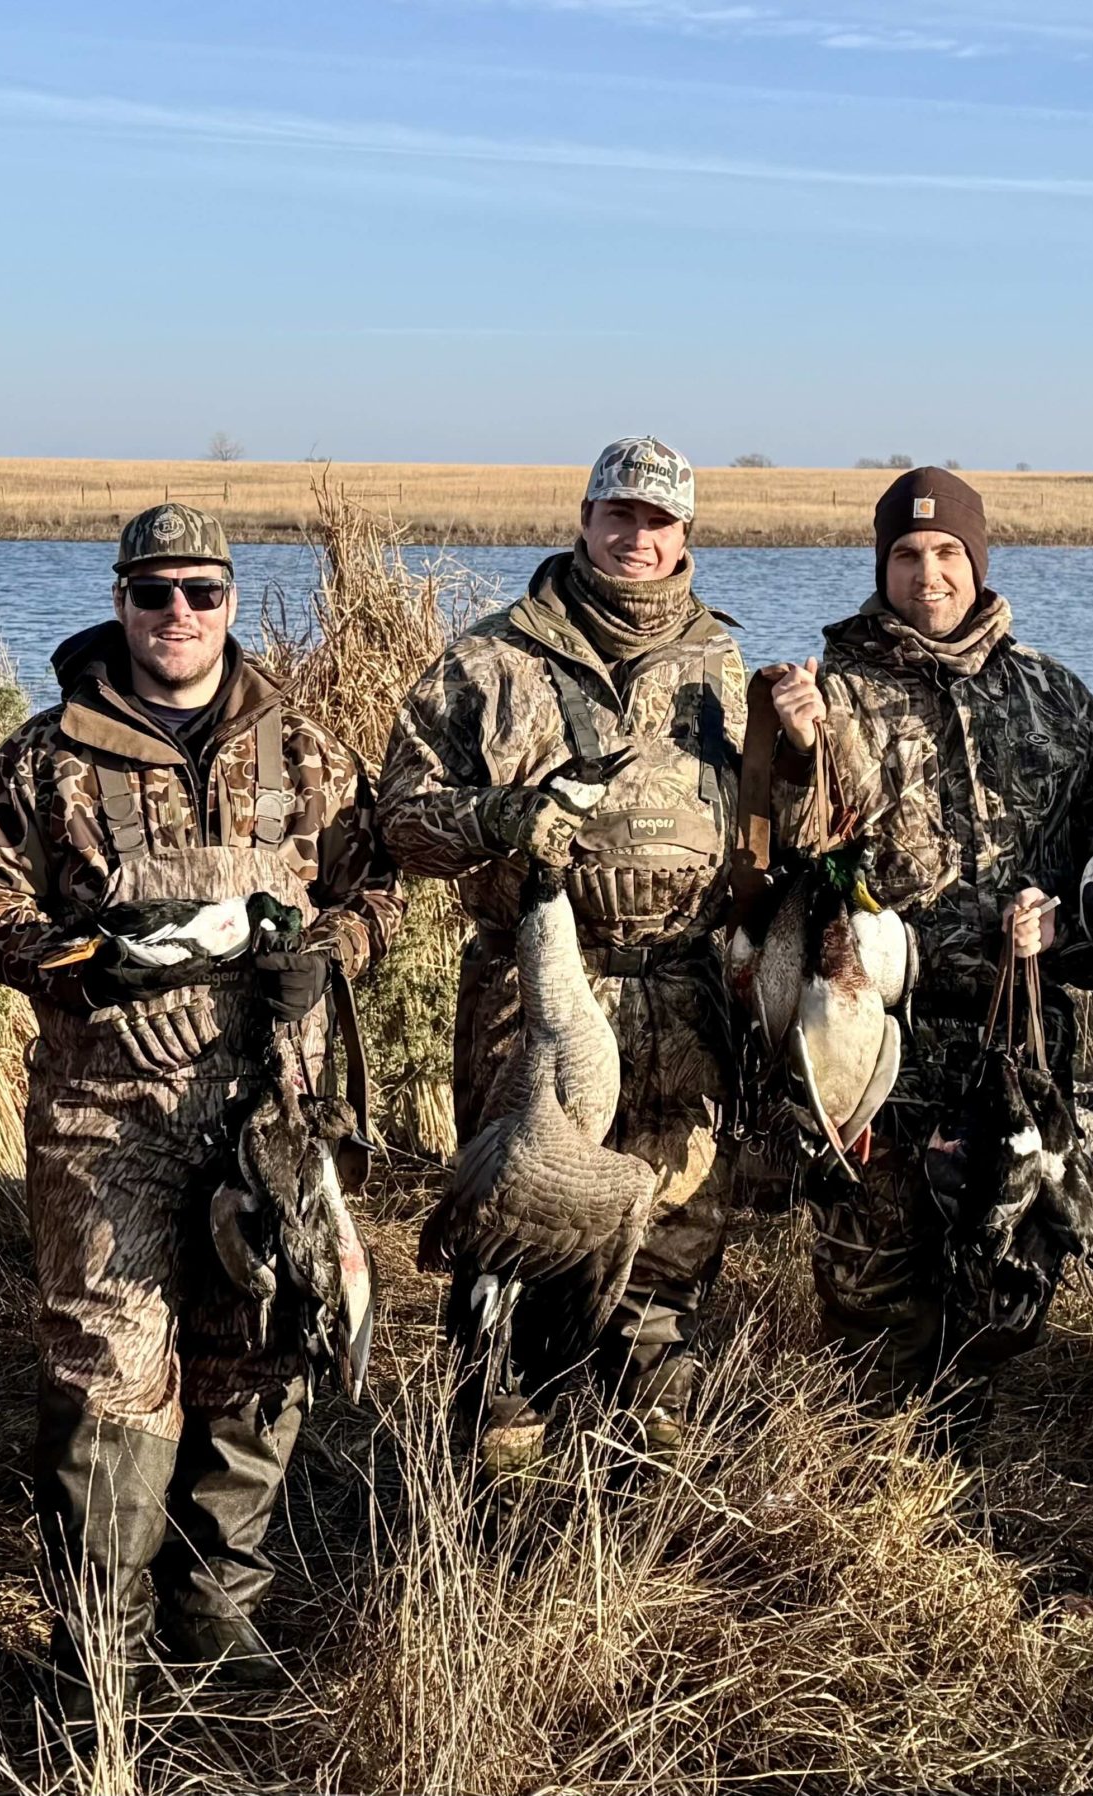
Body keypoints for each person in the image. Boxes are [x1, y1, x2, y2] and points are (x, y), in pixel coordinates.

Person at [0, 503, 400, 1712]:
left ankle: (219, 1607)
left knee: (259, 1343)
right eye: (153, 593)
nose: (177, 615)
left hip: (274, 1106)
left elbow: (380, 877)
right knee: (110, 1359)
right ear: (121, 601)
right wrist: (70, 958)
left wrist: (335, 945)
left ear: (232, 600)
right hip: (108, 1108)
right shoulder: (47, 754)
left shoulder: (301, 747)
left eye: (200, 591)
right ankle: (104, 1637)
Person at [379, 436, 746, 1466]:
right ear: (584, 519)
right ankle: (498, 1497)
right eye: (618, 513)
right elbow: (399, 822)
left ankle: (644, 1496)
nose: (637, 535)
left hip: (682, 1000)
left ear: (685, 536)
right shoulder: (487, 662)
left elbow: (772, 834)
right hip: (533, 1000)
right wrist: (502, 818)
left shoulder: (726, 667)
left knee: (668, 1261)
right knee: (516, 1253)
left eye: (658, 519)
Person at [768, 465, 1093, 1431]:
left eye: (947, 554)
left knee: (1011, 1271)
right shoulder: (828, 696)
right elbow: (788, 857)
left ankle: (967, 1447)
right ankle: (872, 1474)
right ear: (882, 567)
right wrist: (796, 753)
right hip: (880, 1039)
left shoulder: (1056, 697)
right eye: (907, 555)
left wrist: (1069, 927)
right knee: (872, 1281)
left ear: (978, 561)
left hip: (1021, 1045)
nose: (929, 575)